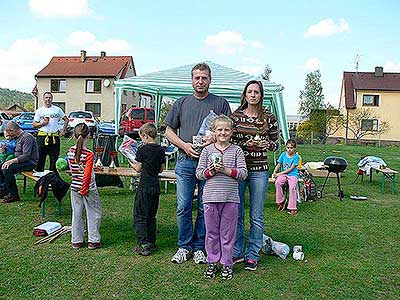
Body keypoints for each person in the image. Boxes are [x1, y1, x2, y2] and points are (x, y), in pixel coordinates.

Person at [165, 62, 232, 264]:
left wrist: (214, 139)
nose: (200, 81)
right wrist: (184, 146)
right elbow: (168, 131)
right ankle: (184, 246)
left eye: (204, 77)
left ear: (210, 80)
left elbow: (228, 131)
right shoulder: (181, 103)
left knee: (206, 207)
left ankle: (200, 247)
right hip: (185, 162)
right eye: (197, 77)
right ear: (192, 80)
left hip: (211, 164)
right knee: (183, 206)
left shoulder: (221, 103)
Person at [230, 80, 279, 271]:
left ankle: (252, 254)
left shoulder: (269, 117)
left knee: (256, 214)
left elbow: (276, 143)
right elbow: (229, 142)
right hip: (240, 169)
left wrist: (267, 145)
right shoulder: (235, 117)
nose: (253, 95)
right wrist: (245, 145)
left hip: (260, 169)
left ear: (261, 95)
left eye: (256, 92)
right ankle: (237, 250)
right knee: (238, 212)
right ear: (245, 94)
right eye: (249, 91)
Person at [196, 116, 247, 280]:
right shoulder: (207, 150)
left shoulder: (237, 150)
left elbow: (243, 173)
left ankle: (226, 263)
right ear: (214, 132)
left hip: (230, 199)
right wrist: (210, 171)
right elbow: (199, 173)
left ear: (231, 132)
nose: (223, 132)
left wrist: (225, 170)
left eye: (226, 129)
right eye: (219, 129)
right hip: (210, 198)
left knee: (228, 234)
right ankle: (212, 261)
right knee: (211, 233)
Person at [131, 123, 165, 256]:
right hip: (155, 186)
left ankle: (143, 243)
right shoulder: (161, 149)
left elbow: (138, 168)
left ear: (145, 136)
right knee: (151, 215)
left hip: (144, 185)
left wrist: (133, 164)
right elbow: (161, 168)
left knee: (139, 215)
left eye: (141, 137)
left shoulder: (142, 150)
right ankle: (151, 241)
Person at [67, 123, 102, 250]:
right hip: (87, 187)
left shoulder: (70, 151)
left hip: (74, 185)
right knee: (94, 212)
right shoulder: (89, 154)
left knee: (77, 213)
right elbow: (86, 175)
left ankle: (77, 240)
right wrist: (85, 189)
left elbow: (72, 170)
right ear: (89, 136)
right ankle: (94, 240)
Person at [0, 122, 38, 203]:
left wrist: (11, 161)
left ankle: (13, 195)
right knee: (1, 166)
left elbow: (26, 156)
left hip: (30, 162)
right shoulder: (17, 137)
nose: (10, 136)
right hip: (19, 160)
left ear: (14, 130)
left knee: (7, 169)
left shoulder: (27, 137)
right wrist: (4, 150)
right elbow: (14, 150)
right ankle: (3, 190)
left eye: (10, 133)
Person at [33, 91, 69, 172]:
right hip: (42, 137)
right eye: (46, 97)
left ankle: (53, 179)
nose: (48, 99)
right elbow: (34, 124)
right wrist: (42, 123)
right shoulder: (40, 110)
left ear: (52, 99)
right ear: (43, 99)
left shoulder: (57, 109)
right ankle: (39, 178)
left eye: (50, 98)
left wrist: (63, 131)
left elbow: (66, 120)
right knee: (40, 158)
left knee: (54, 158)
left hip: (54, 137)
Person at [272, 139, 300, 215]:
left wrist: (279, 173)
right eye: (288, 147)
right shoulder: (283, 154)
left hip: (293, 175)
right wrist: (274, 172)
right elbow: (279, 164)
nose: (289, 149)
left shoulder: (296, 157)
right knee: (277, 182)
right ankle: (281, 201)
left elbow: (290, 169)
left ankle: (292, 207)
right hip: (284, 174)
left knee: (292, 187)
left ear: (295, 148)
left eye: (291, 148)